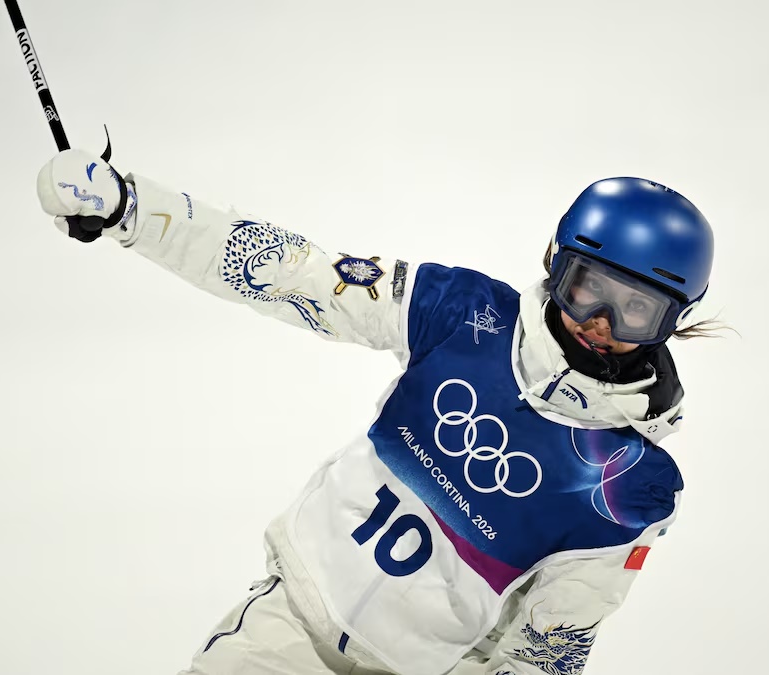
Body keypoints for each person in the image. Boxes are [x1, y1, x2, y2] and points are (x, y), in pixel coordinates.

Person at [36, 148, 715, 675]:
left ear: (673, 321)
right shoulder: (464, 314)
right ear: (558, 263)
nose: (600, 321)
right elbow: (294, 273)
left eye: (636, 308)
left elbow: (549, 644)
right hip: (289, 626)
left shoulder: (629, 483)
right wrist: (133, 208)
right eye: (589, 287)